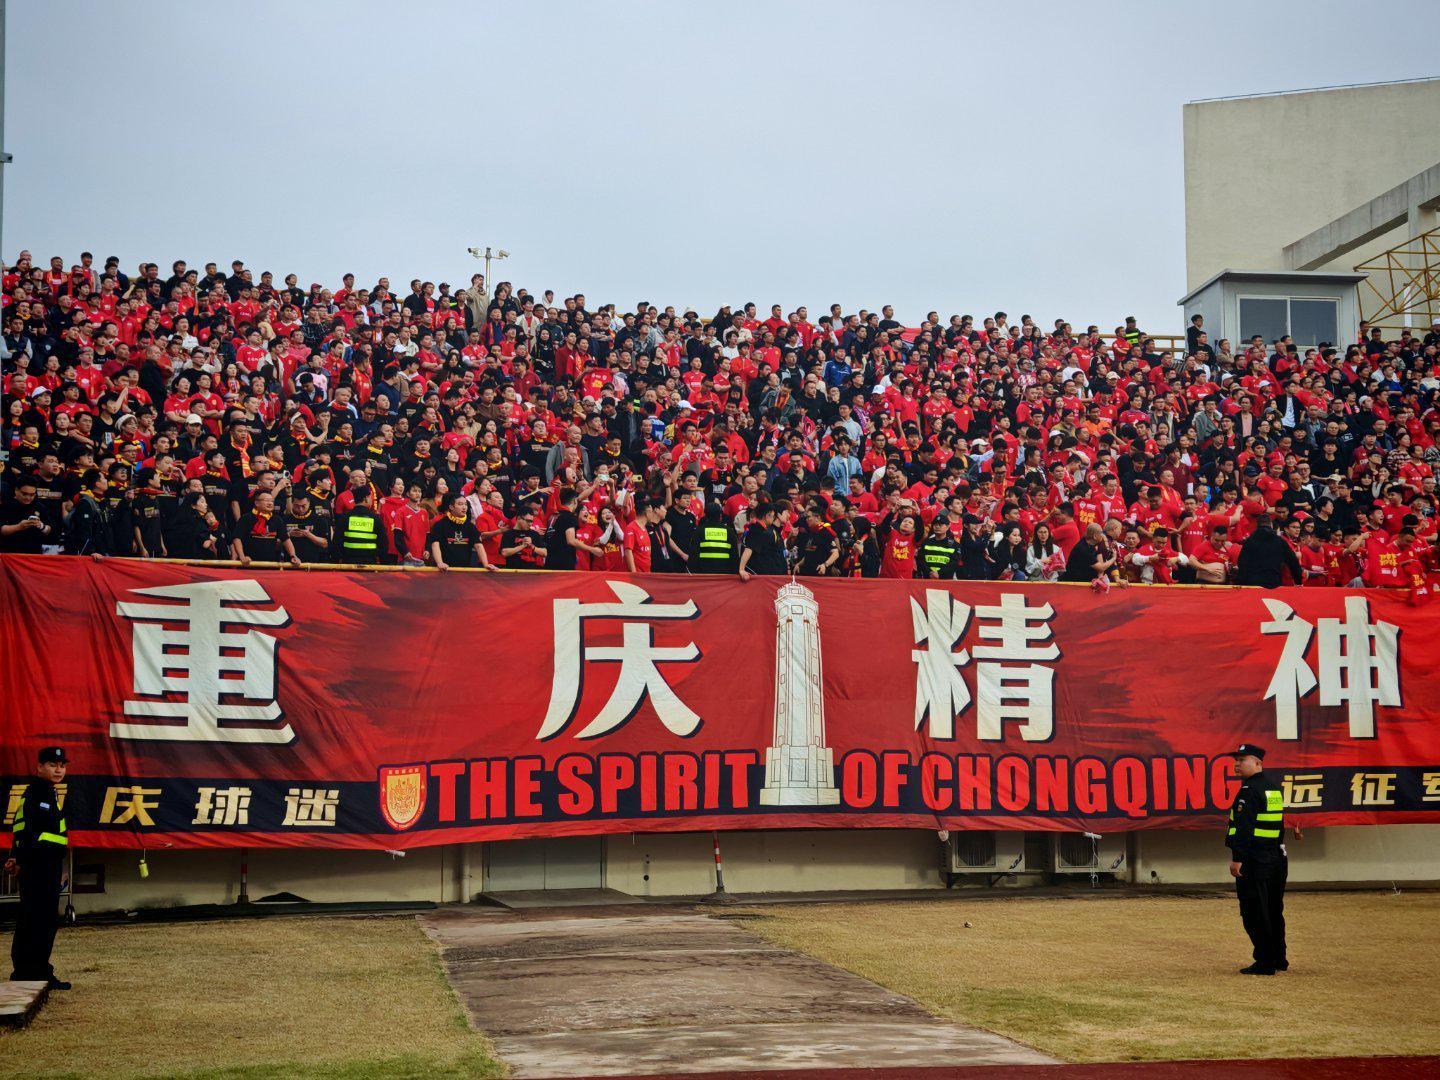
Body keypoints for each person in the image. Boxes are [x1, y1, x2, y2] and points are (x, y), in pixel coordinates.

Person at [6, 746, 71, 990]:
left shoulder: (48, 792)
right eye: (53, 765)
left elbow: (25, 828)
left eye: (62, 765)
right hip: (38, 867)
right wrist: (20, 859)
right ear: (39, 767)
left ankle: (34, 972)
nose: (58, 770)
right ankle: (32, 973)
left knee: (38, 921)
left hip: (47, 866)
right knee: (37, 921)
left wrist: (16, 857)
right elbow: (25, 829)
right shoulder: (36, 793)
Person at [1226, 743, 1289, 976]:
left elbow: (1243, 827)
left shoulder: (1248, 791)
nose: (1236, 764)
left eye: (1242, 760)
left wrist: (1238, 857)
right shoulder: (1272, 788)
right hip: (1276, 858)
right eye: (1236, 760)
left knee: (1254, 911)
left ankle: (1264, 962)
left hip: (1254, 860)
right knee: (1273, 910)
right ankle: (1279, 958)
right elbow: (1276, 824)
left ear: (1258, 763)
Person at [1237, 515, 1303, 589]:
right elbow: (1293, 562)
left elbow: (1242, 563)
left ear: (1257, 525)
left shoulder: (1249, 541)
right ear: (1271, 525)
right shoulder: (1279, 541)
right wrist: (1298, 581)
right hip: (1273, 583)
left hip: (1253, 583)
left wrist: (1242, 583)